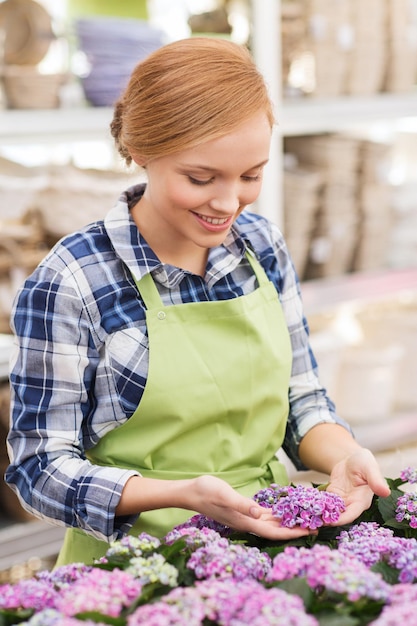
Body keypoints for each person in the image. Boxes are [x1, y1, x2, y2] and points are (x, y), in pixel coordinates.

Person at [6, 37, 390, 566]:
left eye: (251, 175)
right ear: (142, 151)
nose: (229, 202)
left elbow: (301, 399)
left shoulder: (262, 247)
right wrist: (181, 494)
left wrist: (344, 457)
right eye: (201, 178)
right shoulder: (73, 280)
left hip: (266, 545)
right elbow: (39, 469)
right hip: (132, 568)